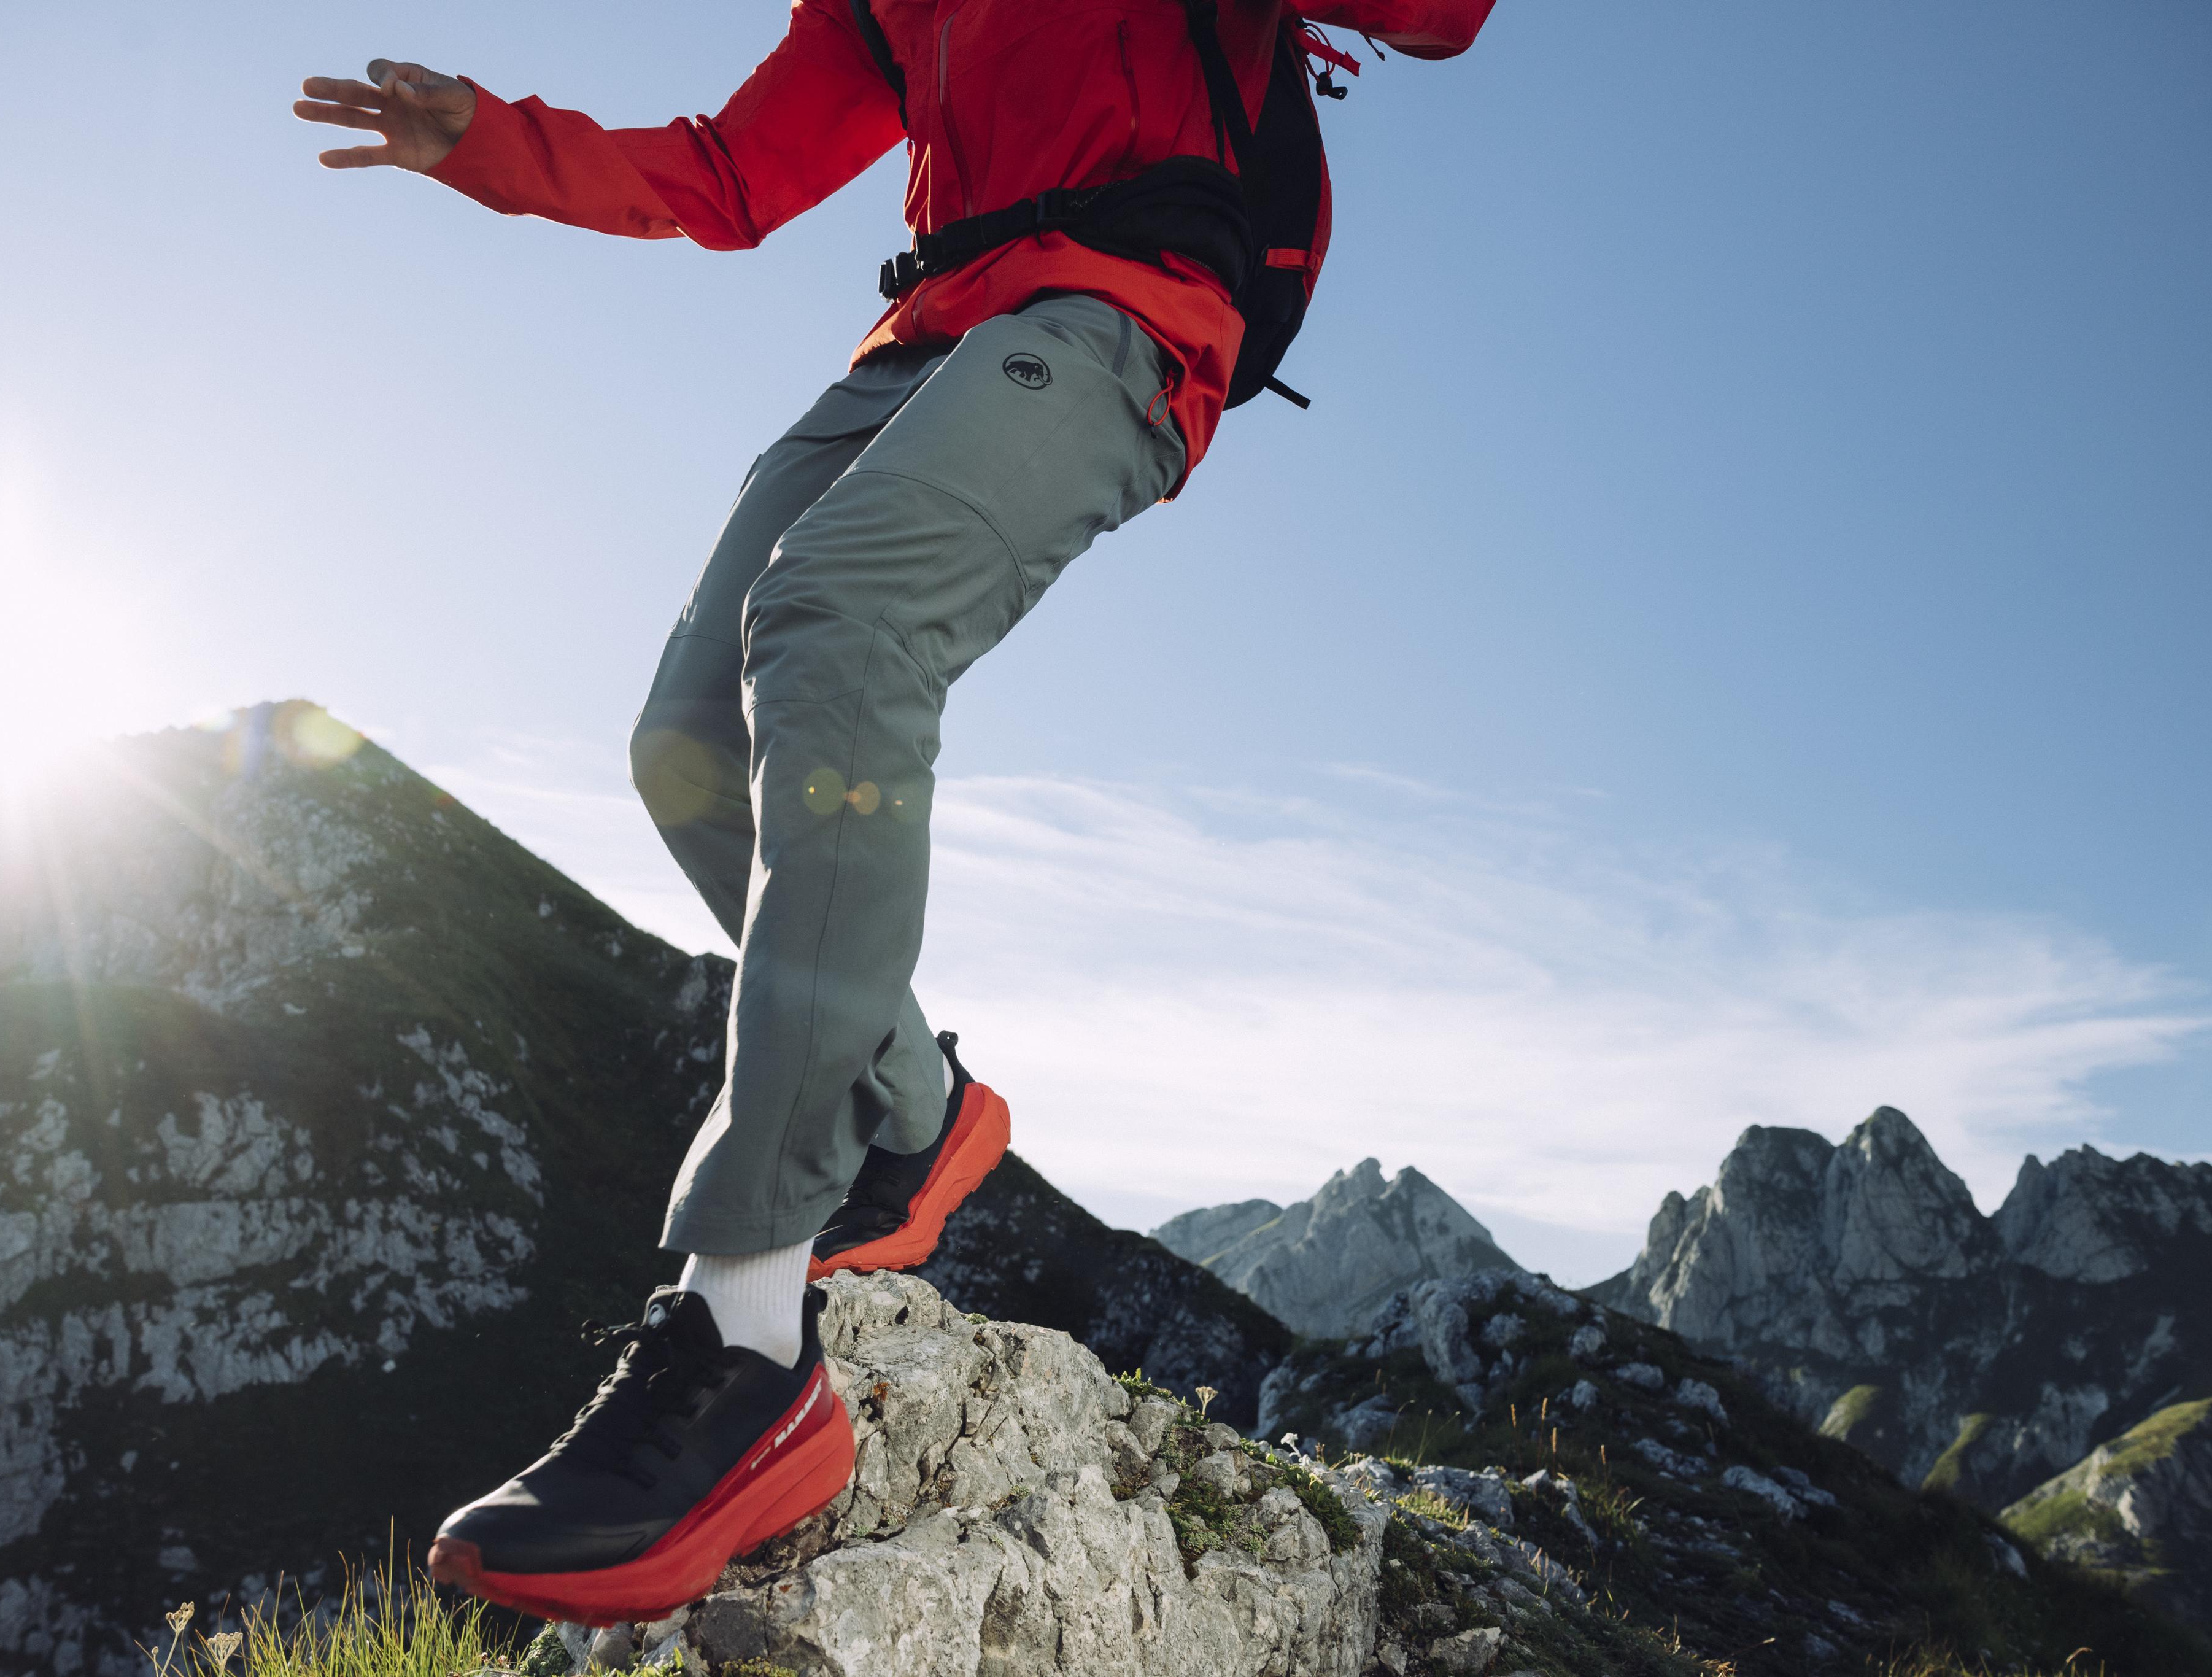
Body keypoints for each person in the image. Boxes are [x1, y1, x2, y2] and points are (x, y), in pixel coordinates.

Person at [293, 0, 1491, 1625]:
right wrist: (491, 143)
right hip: (927, 338)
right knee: (686, 741)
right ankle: (920, 1111)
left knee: (842, 626)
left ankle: (746, 1339)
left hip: (1122, 308)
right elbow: (730, 175)